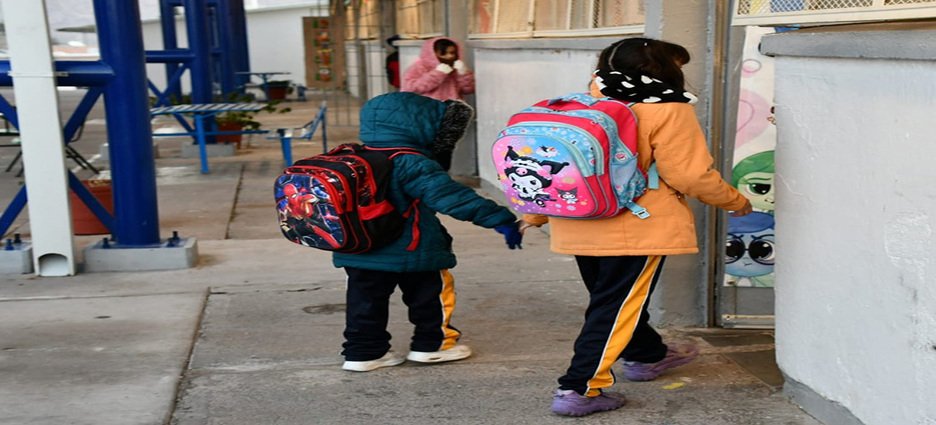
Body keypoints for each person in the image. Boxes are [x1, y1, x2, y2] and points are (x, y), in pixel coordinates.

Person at [520, 37, 754, 417]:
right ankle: (578, 388)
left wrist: (535, 215)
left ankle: (647, 356)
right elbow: (690, 175)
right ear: (664, 69)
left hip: (578, 223)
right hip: (635, 226)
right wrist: (735, 201)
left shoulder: (583, 103)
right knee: (614, 307)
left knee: (613, 301)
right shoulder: (667, 109)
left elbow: (556, 167)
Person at [335, 92, 523, 372]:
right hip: (413, 250)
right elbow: (451, 198)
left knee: (364, 301)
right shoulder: (411, 161)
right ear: (419, 127)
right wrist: (500, 218)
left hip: (359, 250)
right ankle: (433, 345)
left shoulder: (353, 157)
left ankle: (363, 353)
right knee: (430, 297)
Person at [401, 37, 475, 101]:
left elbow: (468, 90)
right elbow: (410, 89)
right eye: (443, 53)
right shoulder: (420, 66)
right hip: (427, 110)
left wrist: (464, 74)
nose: (449, 56)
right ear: (432, 53)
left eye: (452, 53)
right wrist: (437, 74)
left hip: (451, 111)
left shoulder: (456, 67)